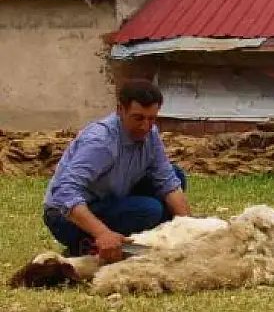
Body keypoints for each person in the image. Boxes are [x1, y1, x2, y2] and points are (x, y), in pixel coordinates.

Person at [42, 79, 192, 262]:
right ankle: (89, 244)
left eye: (151, 119)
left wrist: (189, 228)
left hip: (111, 200)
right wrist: (103, 233)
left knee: (176, 176)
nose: (145, 126)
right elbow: (64, 193)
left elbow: (167, 181)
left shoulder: (150, 134)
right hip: (66, 218)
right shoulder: (100, 141)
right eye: (138, 118)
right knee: (149, 209)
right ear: (120, 109)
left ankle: (143, 244)